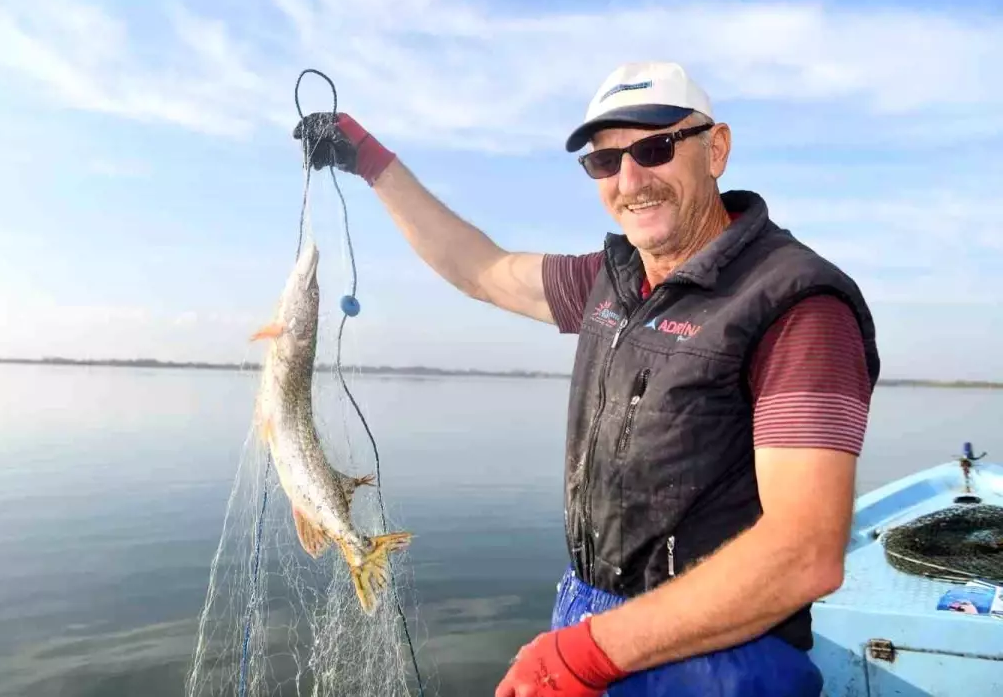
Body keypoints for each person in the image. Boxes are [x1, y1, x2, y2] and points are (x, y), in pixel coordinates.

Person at [293, 61, 880, 697]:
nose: (630, 180)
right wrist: (371, 161)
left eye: (655, 149)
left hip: (723, 659)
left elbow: (804, 552)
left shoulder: (797, 305)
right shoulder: (611, 283)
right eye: (605, 162)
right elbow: (479, 268)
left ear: (716, 150)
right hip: (591, 621)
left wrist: (585, 655)